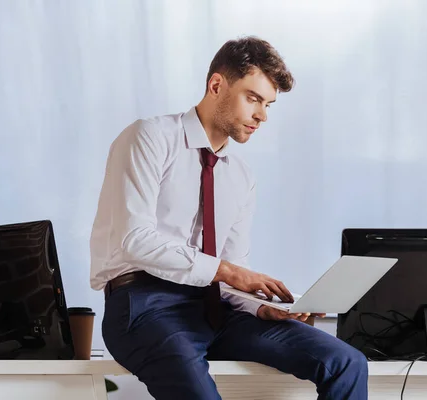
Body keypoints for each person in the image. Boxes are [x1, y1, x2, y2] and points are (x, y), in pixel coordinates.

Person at [90, 36, 368, 400]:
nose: (262, 115)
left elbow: (233, 272)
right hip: (144, 307)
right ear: (217, 85)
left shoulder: (241, 176)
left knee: (346, 362)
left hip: (215, 309)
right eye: (253, 98)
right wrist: (230, 272)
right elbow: (135, 239)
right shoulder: (149, 137)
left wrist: (261, 307)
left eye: (268, 104)